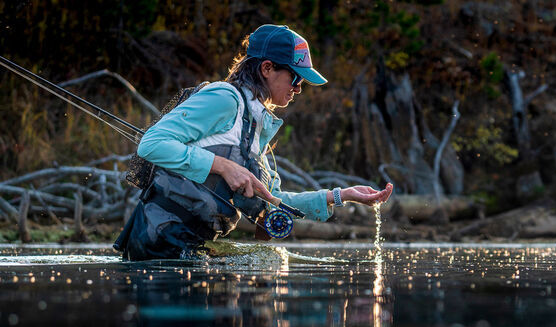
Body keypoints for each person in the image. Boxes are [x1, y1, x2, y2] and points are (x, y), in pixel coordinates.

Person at [114, 24, 392, 260]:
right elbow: (152, 143)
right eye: (296, 78)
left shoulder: (255, 126)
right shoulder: (224, 98)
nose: (298, 88)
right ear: (267, 68)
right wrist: (223, 166)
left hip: (187, 245)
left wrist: (342, 195)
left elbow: (276, 200)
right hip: (158, 242)